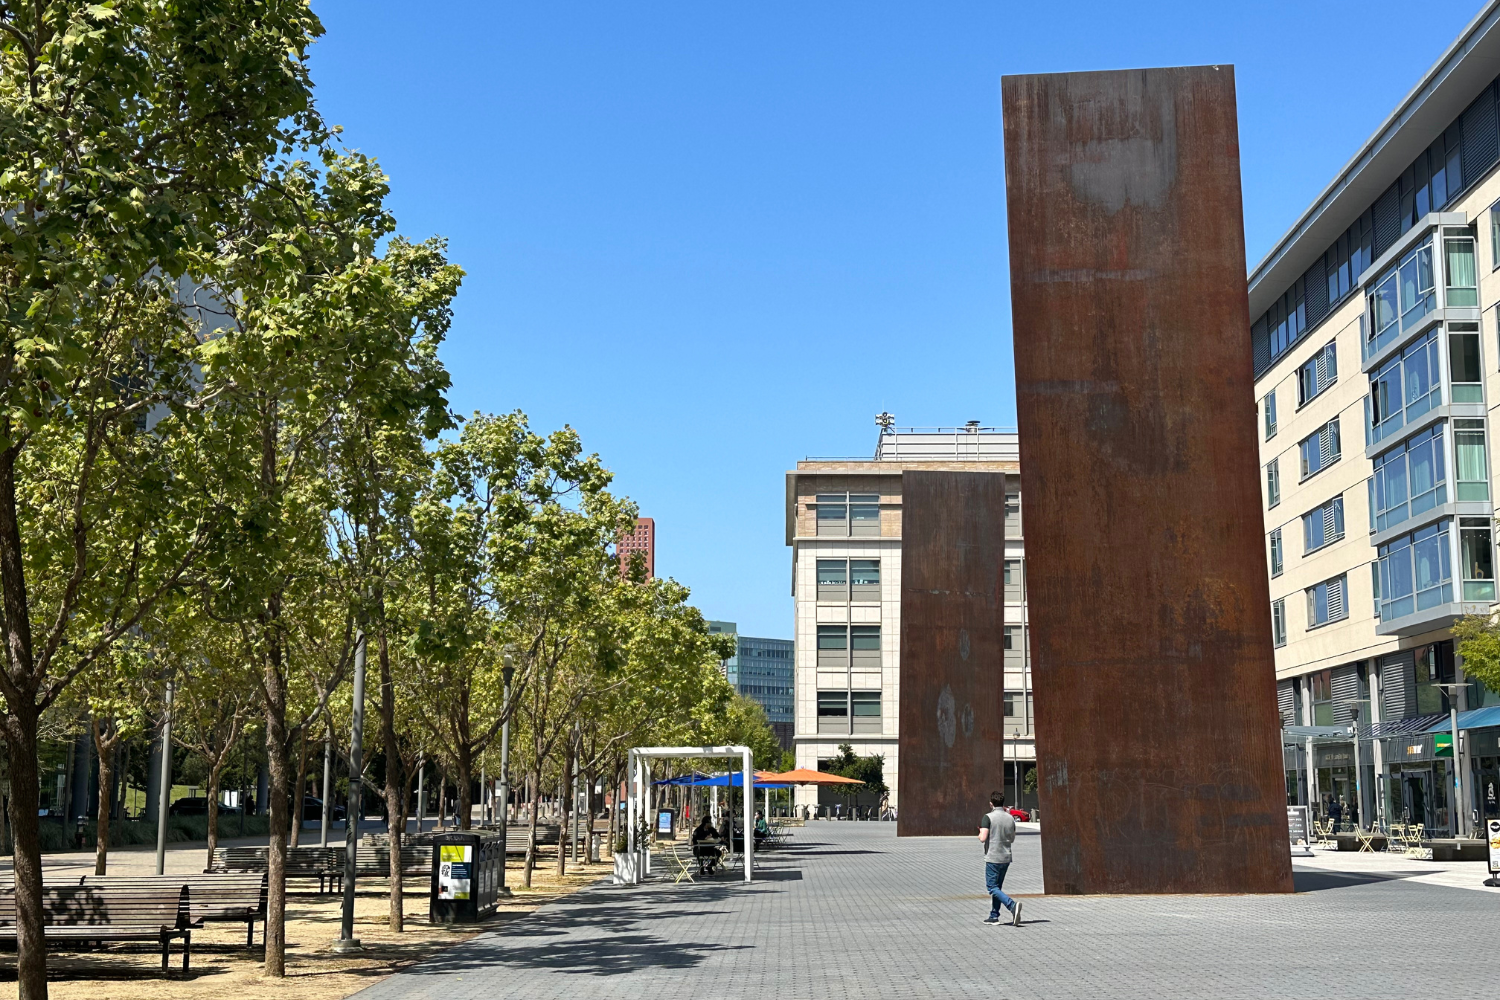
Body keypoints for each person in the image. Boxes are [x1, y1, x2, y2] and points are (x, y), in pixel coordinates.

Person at [979, 790, 1022, 927]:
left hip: (993, 856)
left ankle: (1012, 906)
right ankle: (994, 916)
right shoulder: (1010, 818)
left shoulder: (987, 817)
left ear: (991, 803)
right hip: (1006, 856)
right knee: (998, 887)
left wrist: (979, 832)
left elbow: (983, 838)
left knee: (992, 887)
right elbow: (1013, 838)